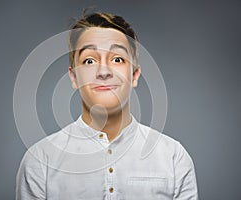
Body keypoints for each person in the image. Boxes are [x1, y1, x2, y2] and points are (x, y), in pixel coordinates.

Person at [16, 11, 198, 200]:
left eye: (117, 59)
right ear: (74, 77)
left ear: (134, 75)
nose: (103, 71)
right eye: (89, 60)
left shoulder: (173, 157)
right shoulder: (40, 160)